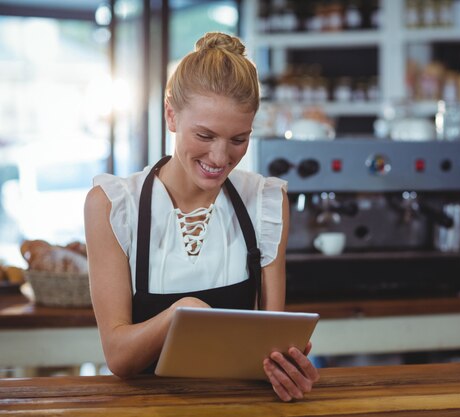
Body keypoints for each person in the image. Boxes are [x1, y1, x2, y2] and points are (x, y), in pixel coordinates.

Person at [84, 32, 319, 402]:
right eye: (205, 135)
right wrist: (182, 312)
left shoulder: (266, 203)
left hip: (242, 408)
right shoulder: (114, 205)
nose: (220, 157)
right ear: (171, 115)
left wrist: (285, 370)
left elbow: (272, 343)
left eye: (239, 139)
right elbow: (118, 356)